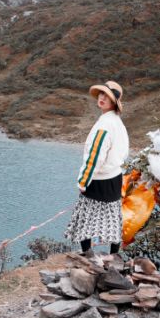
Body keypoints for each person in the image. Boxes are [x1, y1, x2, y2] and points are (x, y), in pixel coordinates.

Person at [63, 80, 130, 257]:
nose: (102, 98)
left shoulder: (104, 125)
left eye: (106, 96)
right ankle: (114, 255)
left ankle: (87, 254)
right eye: (101, 94)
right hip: (115, 177)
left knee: (85, 216)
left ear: (113, 102)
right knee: (113, 217)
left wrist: (83, 181)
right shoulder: (117, 122)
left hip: (99, 179)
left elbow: (95, 156)